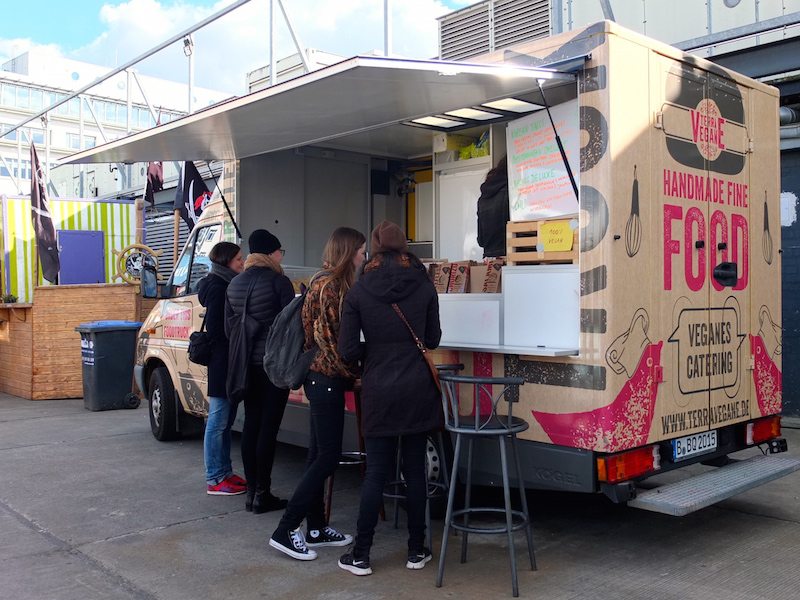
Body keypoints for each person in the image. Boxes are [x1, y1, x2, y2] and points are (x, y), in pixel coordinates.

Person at [336, 220, 442, 576]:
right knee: (415, 471)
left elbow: (348, 350)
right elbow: (433, 338)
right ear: (405, 246)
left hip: (379, 388)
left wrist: (376, 351)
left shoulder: (360, 290)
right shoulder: (424, 283)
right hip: (416, 388)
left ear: (376, 250)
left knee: (376, 474)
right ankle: (416, 551)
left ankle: (361, 554)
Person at [269, 227, 367, 561]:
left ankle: (315, 528)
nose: (364, 257)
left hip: (323, 378)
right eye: (361, 251)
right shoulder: (330, 287)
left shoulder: (324, 282)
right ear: (348, 252)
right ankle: (286, 529)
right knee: (327, 456)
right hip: (326, 378)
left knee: (316, 455)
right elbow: (328, 342)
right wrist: (354, 373)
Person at [225, 229, 295, 513]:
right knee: (268, 428)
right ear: (270, 253)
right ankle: (263, 493)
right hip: (273, 365)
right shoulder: (279, 282)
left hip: (245, 365)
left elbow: (230, 327)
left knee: (251, 424)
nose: (281, 256)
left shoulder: (235, 284)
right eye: (280, 251)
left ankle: (252, 491)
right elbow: (292, 326)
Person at [198, 241, 246, 495]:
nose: (242, 262)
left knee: (225, 421)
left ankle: (224, 471)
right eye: (238, 258)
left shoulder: (221, 283)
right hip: (222, 362)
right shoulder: (219, 287)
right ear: (226, 261)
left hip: (225, 361)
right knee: (217, 420)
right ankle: (215, 477)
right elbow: (218, 330)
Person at [477, 156, 510, 258]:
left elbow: (481, 240)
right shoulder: (512, 192)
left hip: (490, 263)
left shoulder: (483, 198)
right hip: (513, 257)